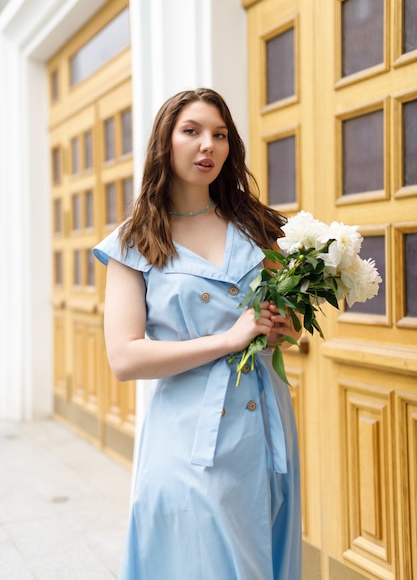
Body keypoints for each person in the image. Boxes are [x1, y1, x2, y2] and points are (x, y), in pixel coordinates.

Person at [93, 88, 302, 580]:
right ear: (165, 142)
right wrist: (229, 340)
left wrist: (279, 329)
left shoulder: (256, 227)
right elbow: (124, 358)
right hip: (188, 435)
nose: (208, 145)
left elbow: (279, 326)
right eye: (192, 131)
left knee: (263, 556)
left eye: (220, 134)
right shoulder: (134, 241)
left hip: (264, 428)